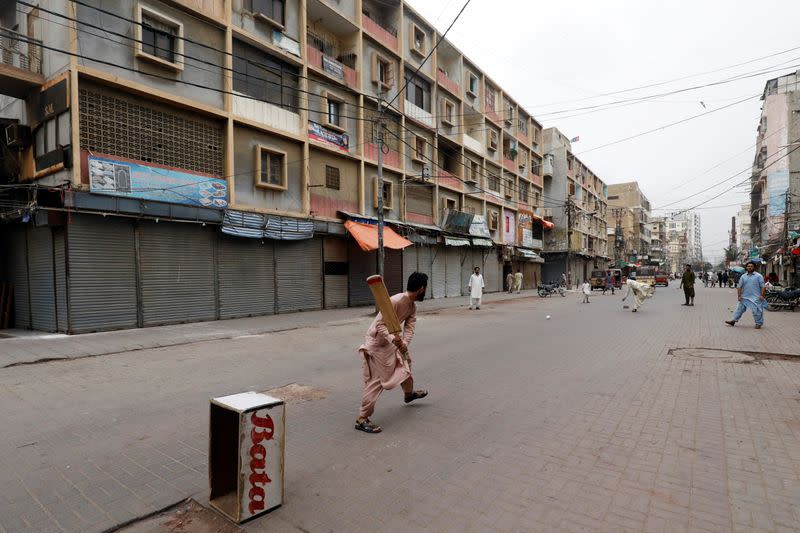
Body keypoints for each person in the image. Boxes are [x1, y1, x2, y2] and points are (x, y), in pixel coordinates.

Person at [355, 272, 429, 433]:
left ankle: (408, 394)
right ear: (422, 289)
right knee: (377, 381)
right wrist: (392, 339)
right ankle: (361, 418)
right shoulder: (395, 301)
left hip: (391, 344)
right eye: (426, 289)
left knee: (406, 363)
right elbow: (379, 326)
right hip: (376, 344)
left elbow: (409, 328)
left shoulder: (412, 306)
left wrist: (404, 343)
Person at [725, 261, 766, 329]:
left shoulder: (759, 276)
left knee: (756, 311)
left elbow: (763, 286)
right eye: (748, 266)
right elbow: (739, 287)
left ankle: (758, 323)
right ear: (746, 267)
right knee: (739, 309)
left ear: (754, 267)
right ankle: (733, 321)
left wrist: (762, 295)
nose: (749, 267)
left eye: (751, 266)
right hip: (744, 297)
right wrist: (739, 296)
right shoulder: (743, 276)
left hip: (756, 297)